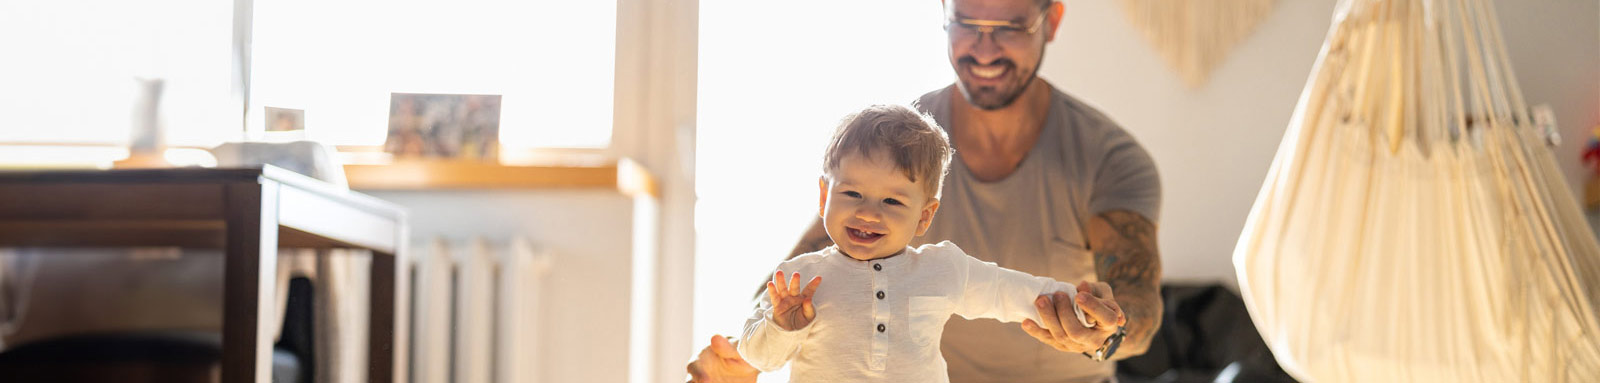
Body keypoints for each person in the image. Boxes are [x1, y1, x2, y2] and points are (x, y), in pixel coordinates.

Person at [688, 0, 1163, 381]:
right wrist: (746, 350)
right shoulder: (898, 145)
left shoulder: (1109, 159)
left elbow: (1137, 305)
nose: (984, 47)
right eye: (965, 22)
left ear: (1051, 20)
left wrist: (1105, 329)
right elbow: (799, 278)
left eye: (1010, 27)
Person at [738, 105, 1111, 382]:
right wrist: (782, 324)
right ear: (823, 197)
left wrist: (1079, 307)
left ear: (924, 216)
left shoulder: (941, 269)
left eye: (892, 201)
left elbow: (1008, 291)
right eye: (852, 193)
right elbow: (758, 357)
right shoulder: (797, 279)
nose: (868, 213)